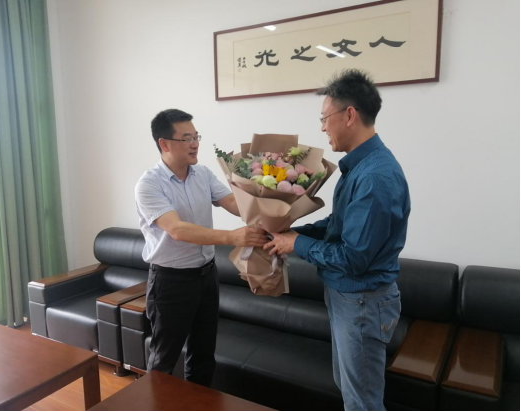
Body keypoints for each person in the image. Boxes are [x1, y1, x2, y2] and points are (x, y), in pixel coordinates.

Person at [265, 70, 411, 411]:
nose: (322, 128)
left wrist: (295, 244)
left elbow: (353, 257)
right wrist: (293, 232)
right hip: (350, 299)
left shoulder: (375, 176)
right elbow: (339, 224)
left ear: (349, 115)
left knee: (362, 403)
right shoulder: (360, 167)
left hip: (362, 301)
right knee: (349, 390)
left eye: (324, 118)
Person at [135, 109, 268, 387]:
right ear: (164, 144)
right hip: (170, 282)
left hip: (207, 276)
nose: (195, 144)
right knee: (163, 361)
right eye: (187, 139)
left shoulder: (203, 174)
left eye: (196, 137)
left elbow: (233, 204)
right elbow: (177, 229)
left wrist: (269, 201)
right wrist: (233, 237)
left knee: (204, 355)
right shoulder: (149, 184)